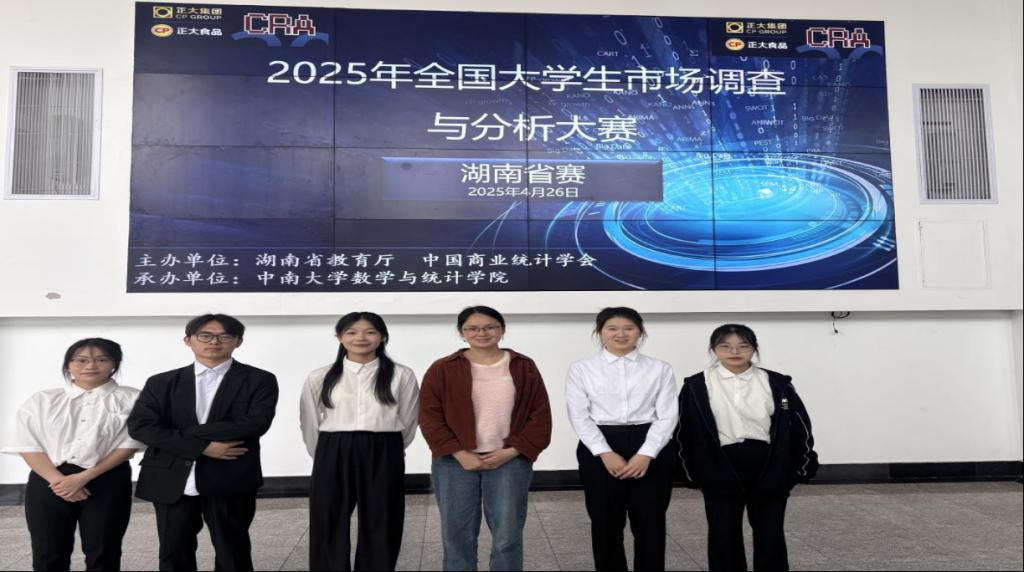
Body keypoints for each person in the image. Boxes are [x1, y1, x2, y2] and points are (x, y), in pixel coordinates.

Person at [127, 313, 279, 571]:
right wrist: (202, 446)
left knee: (233, 551)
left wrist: (183, 433)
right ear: (188, 340)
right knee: (174, 551)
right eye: (205, 336)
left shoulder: (259, 379)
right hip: (171, 476)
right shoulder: (161, 382)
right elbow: (141, 427)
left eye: (224, 336)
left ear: (238, 341)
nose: (214, 342)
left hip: (230, 475)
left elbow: (255, 424)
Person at [674, 324, 818, 572]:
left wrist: (800, 467)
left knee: (770, 534)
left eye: (743, 346)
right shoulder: (696, 385)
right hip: (720, 465)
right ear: (714, 349)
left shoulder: (776, 382)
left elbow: (800, 426)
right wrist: (689, 472)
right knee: (723, 535)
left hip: (768, 464)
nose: (735, 352)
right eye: (725, 346)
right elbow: (682, 431)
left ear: (754, 349)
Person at [419, 305, 552, 571]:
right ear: (462, 333)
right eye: (472, 328)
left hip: (509, 460)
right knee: (457, 534)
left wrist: (512, 451)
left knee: (507, 535)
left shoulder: (523, 365)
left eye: (490, 327)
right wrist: (460, 453)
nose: (481, 333)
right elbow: (429, 416)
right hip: (455, 462)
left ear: (502, 330)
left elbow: (539, 415)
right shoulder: (443, 368)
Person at [1, 338, 142, 571]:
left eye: (101, 359)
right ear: (68, 365)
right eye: (81, 360)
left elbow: (131, 443)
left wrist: (83, 478)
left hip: (107, 477)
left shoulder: (133, 399)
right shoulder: (42, 400)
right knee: (48, 552)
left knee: (104, 551)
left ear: (114, 364)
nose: (91, 365)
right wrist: (59, 481)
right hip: (49, 479)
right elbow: (27, 444)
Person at [299, 312, 420, 571]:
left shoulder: (401, 374)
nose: (360, 338)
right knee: (328, 517)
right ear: (340, 337)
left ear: (382, 337)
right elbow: (309, 420)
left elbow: (410, 419)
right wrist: (323, 455)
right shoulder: (321, 376)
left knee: (382, 517)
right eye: (351, 332)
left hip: (384, 448)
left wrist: (391, 449)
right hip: (333, 448)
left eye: (370, 332)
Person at [565, 307, 678, 572]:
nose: (621, 334)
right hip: (600, 445)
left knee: (650, 523)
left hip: (651, 444)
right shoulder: (581, 369)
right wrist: (604, 452)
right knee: (605, 523)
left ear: (640, 332)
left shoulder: (660, 368)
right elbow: (578, 415)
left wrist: (646, 454)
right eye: (612, 328)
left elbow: (668, 415)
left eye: (629, 328)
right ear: (600, 332)